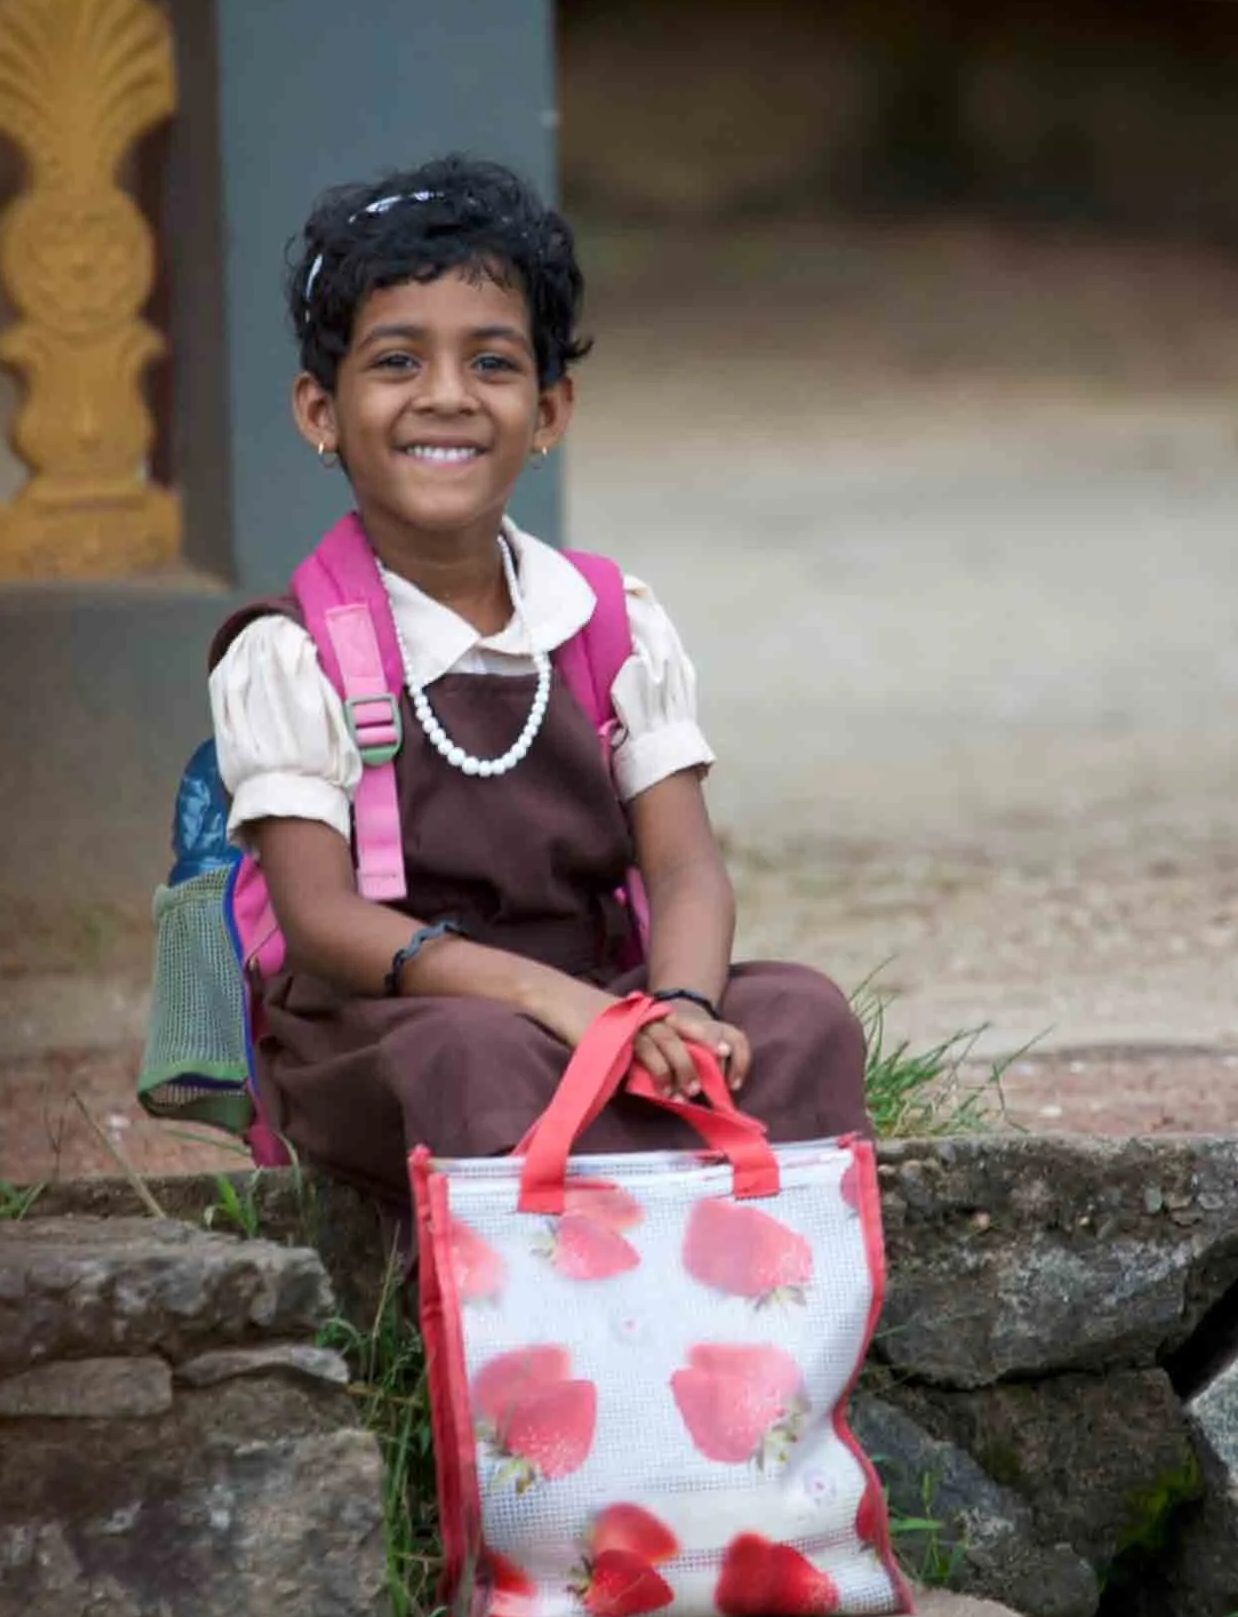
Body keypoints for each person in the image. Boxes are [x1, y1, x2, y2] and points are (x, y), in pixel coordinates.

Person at [208, 154, 869, 1207]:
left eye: (492, 364)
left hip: (598, 996)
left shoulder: (609, 621)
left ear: (550, 408)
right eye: (393, 361)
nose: (445, 397)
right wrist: (544, 997)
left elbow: (686, 869)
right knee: (478, 1057)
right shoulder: (292, 651)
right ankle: (544, 1338)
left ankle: (754, 1313)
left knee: (803, 1018)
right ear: (318, 409)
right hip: (391, 1020)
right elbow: (321, 918)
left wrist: (683, 1006)